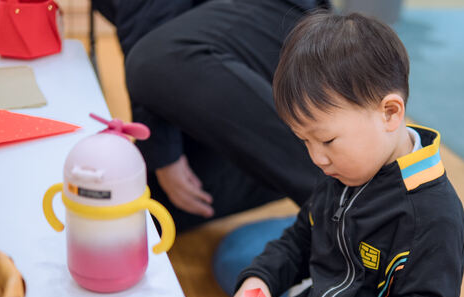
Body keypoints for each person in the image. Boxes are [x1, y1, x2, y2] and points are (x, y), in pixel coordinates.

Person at [215, 12, 464, 297]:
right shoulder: (343, 171)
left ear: (389, 113)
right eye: (305, 142)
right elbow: (302, 237)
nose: (316, 158)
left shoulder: (433, 217)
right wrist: (261, 277)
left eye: (328, 141)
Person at [92, 0, 329, 232]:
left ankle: (352, 209)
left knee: (156, 58)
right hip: (217, 57)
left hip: (278, 23)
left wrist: (164, 155)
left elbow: (150, 41)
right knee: (134, 207)